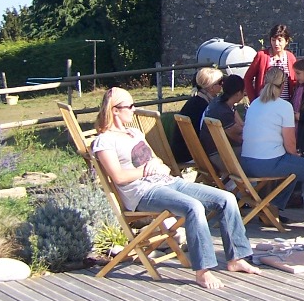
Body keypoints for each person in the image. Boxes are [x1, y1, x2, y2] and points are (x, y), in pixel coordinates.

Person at [91, 87, 260, 289]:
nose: (134, 110)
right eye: (130, 106)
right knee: (194, 207)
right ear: (115, 110)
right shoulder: (105, 141)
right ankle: (202, 271)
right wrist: (145, 171)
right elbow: (118, 177)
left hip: (167, 181)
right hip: (143, 193)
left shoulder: (134, 133)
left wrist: (159, 166)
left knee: (226, 199)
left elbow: (154, 160)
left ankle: (236, 258)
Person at [239, 67, 304, 230]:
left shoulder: (255, 103)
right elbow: (290, 145)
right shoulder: (283, 106)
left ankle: (271, 208)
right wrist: (295, 154)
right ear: (283, 85)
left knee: (293, 167)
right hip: (267, 164)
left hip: (246, 163)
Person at [173, 67, 224, 162]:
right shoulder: (205, 107)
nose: (222, 85)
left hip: (181, 151)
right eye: (220, 82)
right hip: (191, 154)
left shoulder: (194, 102)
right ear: (212, 87)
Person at [200, 74, 246, 173]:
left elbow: (240, 125)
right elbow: (238, 137)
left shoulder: (219, 102)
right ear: (238, 93)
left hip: (212, 152)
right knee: (258, 154)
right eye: (243, 92)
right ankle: (258, 187)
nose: (244, 94)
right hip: (219, 157)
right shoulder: (223, 112)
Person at [243, 24, 296, 102]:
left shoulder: (290, 57)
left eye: (280, 40)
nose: (276, 44)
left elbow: (294, 80)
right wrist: (253, 100)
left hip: (285, 103)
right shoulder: (262, 56)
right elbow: (248, 78)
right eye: (273, 40)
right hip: (265, 102)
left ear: (286, 41)